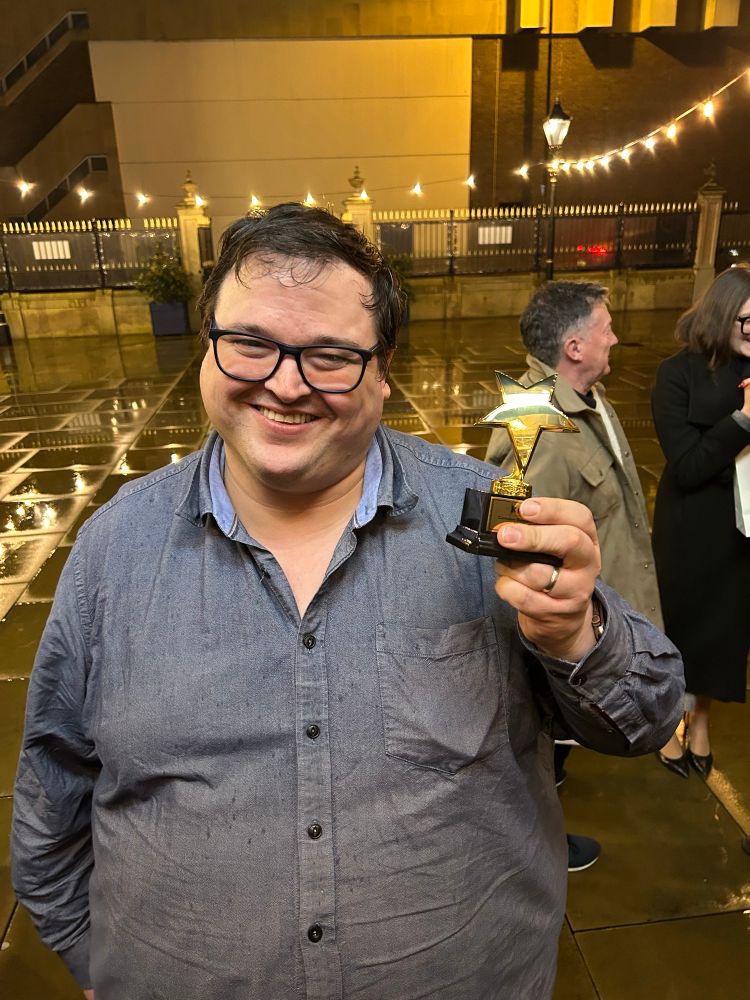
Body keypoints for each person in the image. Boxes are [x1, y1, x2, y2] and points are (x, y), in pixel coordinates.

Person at [12, 204, 684, 1000]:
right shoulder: (113, 551)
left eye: (330, 355)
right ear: (208, 346)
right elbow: (51, 793)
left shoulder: (490, 520)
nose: (285, 383)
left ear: (382, 367)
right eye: (250, 343)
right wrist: (98, 962)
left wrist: (577, 634)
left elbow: (646, 715)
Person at [485, 280, 665, 872]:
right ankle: (539, 844)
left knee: (554, 749)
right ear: (574, 347)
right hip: (565, 631)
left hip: (592, 615)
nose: (615, 338)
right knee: (544, 741)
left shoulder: (586, 400)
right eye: (605, 329)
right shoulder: (542, 425)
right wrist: (561, 641)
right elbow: (516, 540)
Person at [651, 264, 750, 780]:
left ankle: (702, 720)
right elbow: (688, 466)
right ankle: (671, 720)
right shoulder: (677, 373)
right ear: (723, 314)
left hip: (743, 528)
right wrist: (743, 420)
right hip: (692, 525)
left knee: (724, 630)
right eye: (748, 321)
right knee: (683, 626)